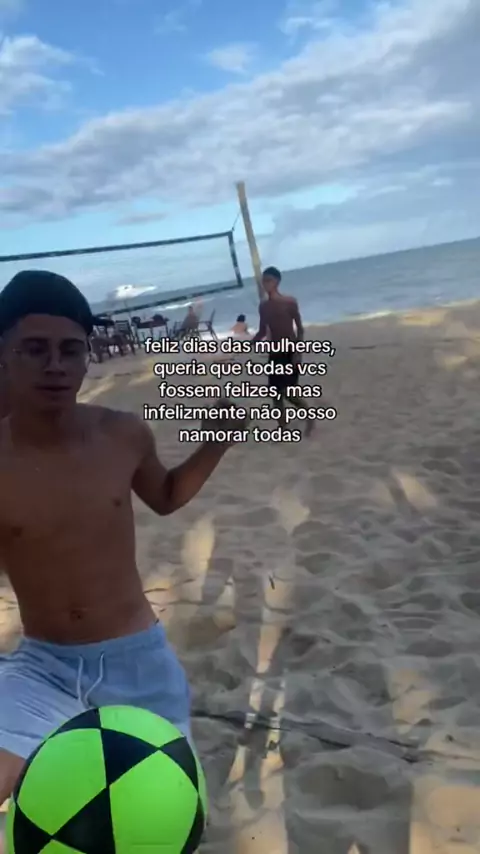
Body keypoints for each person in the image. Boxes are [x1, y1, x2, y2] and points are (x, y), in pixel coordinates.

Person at [0, 269, 246, 847]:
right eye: (35, 349)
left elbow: (166, 496)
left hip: (139, 666)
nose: (55, 365)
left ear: (87, 357)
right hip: (44, 667)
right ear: (4, 354)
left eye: (70, 350)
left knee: (160, 825)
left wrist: (217, 440)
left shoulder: (123, 435)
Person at [252, 266, 313, 436]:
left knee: (289, 393)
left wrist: (298, 353)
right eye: (263, 281)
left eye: (268, 281)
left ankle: (310, 417)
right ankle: (282, 427)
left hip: (290, 352)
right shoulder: (263, 306)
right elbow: (262, 331)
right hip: (275, 354)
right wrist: (250, 344)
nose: (265, 284)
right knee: (275, 394)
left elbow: (300, 329)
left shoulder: (289, 302)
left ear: (277, 282)